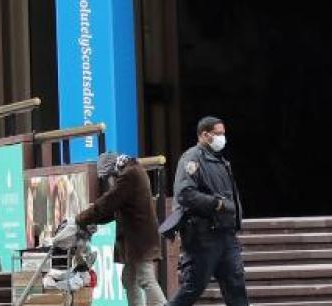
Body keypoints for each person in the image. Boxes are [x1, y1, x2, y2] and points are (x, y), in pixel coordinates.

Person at [166, 117, 248, 306]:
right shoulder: (192, 158)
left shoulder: (220, 160)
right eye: (218, 134)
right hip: (203, 237)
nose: (222, 138)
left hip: (226, 235)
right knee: (192, 288)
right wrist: (216, 204)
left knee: (236, 287)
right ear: (204, 135)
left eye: (223, 134)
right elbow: (185, 194)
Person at [77, 153, 166, 306]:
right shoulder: (132, 171)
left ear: (113, 170)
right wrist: (92, 220)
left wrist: (80, 219)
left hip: (140, 239)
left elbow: (109, 202)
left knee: (145, 278)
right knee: (129, 279)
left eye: (107, 177)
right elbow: (114, 210)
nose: (108, 182)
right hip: (136, 239)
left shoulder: (129, 176)